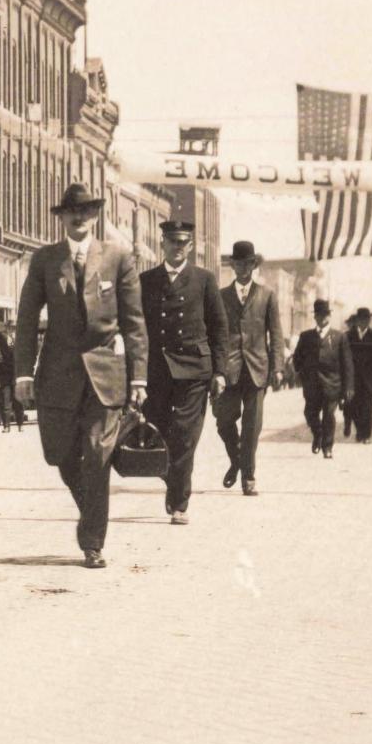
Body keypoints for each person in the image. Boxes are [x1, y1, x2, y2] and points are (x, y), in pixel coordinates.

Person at [15, 184, 148, 568]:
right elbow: (25, 321)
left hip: (105, 375)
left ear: (95, 216)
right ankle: (92, 510)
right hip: (56, 374)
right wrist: (23, 373)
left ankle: (93, 541)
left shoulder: (118, 258)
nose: (79, 218)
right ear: (61, 217)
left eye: (86, 211)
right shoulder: (45, 260)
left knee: (97, 453)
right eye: (72, 212)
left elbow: (135, 323)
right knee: (60, 454)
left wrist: (138, 378)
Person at [140, 218, 229, 523]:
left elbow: (219, 327)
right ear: (162, 243)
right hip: (158, 371)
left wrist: (220, 372)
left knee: (184, 435)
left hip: (194, 369)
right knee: (160, 431)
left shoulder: (204, 280)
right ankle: (172, 477)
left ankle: (179, 502)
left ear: (190, 247)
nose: (177, 248)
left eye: (183, 243)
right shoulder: (146, 280)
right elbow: (136, 331)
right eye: (172, 242)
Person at [214, 240, 280, 497]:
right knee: (223, 421)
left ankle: (248, 477)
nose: (243, 268)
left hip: (256, 369)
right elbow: (215, 333)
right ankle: (237, 461)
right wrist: (216, 369)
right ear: (232, 265)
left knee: (252, 426)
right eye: (238, 263)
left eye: (247, 264)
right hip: (229, 368)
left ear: (254, 266)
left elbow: (275, 333)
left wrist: (277, 367)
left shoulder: (267, 296)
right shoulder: (220, 296)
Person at [294, 300, 353, 457]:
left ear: (329, 316)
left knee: (329, 414)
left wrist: (348, 387)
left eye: (325, 315)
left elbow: (347, 365)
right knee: (310, 414)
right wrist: (302, 375)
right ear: (315, 317)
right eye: (319, 315)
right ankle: (318, 434)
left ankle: (327, 447)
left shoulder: (339, 337)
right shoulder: (306, 337)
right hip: (312, 385)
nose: (322, 318)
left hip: (332, 384)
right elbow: (297, 359)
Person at [344, 308, 372, 442]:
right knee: (355, 407)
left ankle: (366, 435)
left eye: (367, 319)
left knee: (368, 408)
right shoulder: (348, 336)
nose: (365, 322)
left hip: (370, 381)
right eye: (362, 319)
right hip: (353, 380)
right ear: (357, 321)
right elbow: (342, 358)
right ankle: (359, 430)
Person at [0, 325, 26, 431]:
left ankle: (20, 424)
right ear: (7, 330)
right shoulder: (0, 341)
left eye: (14, 329)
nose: (12, 331)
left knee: (18, 402)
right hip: (4, 377)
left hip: (17, 377)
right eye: (10, 329)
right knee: (5, 401)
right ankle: (6, 426)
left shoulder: (20, 342)